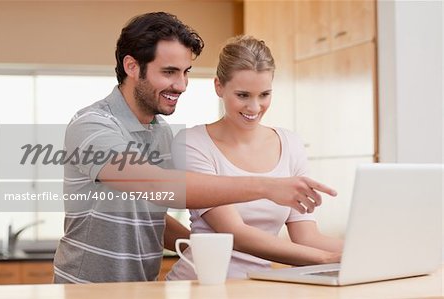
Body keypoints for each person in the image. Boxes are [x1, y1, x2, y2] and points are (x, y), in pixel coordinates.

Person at [53, 12, 337, 283]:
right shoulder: (92, 126)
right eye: (169, 72)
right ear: (131, 66)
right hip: (87, 288)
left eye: (185, 72)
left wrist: (203, 244)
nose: (181, 85)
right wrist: (267, 187)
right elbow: (157, 185)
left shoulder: (159, 133)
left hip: (141, 286)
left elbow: (150, 216)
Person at [166, 35, 343, 280]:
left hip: (258, 287)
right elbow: (234, 234)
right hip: (200, 286)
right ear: (219, 86)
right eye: (243, 95)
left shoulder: (290, 144)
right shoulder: (192, 143)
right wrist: (326, 260)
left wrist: (368, 252)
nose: (255, 107)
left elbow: (306, 237)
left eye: (264, 94)